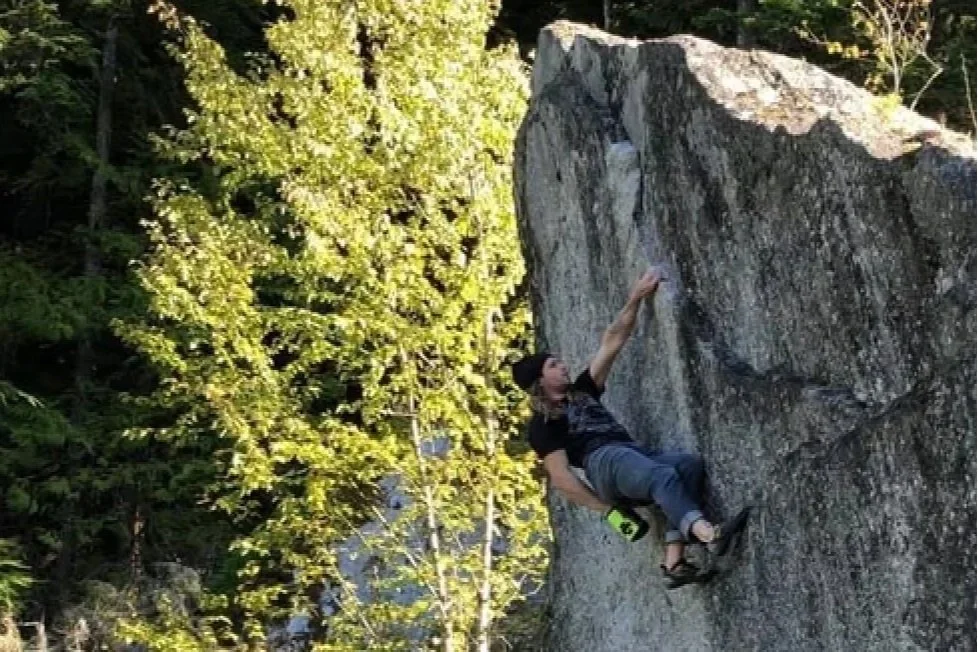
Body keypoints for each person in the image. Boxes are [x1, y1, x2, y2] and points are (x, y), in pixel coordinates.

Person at [512, 269, 749, 589]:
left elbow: (613, 340)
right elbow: (562, 479)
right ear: (540, 381)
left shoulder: (583, 391)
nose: (563, 365)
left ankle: (674, 562)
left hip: (630, 454)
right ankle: (709, 535)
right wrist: (607, 510)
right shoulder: (544, 424)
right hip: (604, 463)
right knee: (661, 476)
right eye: (553, 365)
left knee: (687, 466)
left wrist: (636, 297)